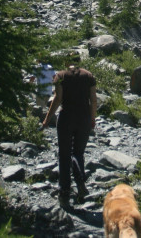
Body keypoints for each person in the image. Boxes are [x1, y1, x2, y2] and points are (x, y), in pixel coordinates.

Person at [41, 57, 97, 205]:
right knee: (78, 153)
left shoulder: (60, 75)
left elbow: (58, 98)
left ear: (67, 62)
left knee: (64, 154)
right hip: (84, 118)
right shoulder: (89, 75)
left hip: (66, 118)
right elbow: (93, 99)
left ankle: (64, 192)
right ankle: (80, 181)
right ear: (78, 62)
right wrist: (93, 118)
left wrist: (47, 119)